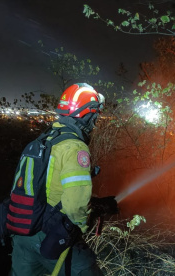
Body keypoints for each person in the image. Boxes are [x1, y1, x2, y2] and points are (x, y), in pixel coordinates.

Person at [10, 83, 106, 276]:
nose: (95, 121)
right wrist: (82, 223)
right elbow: (74, 207)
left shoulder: (44, 139)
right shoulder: (74, 147)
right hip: (49, 236)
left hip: (21, 233)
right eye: (95, 115)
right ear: (87, 114)